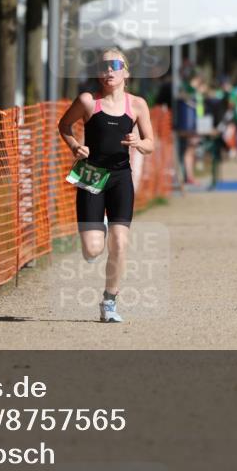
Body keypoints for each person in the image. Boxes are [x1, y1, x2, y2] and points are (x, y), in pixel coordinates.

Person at [58, 48, 155, 323]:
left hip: (120, 177)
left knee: (120, 243)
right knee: (93, 249)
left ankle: (109, 301)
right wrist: (76, 145)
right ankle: (94, 235)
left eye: (114, 65)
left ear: (126, 71)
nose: (109, 71)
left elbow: (151, 144)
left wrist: (139, 143)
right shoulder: (88, 101)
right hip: (91, 175)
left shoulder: (137, 105)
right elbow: (64, 125)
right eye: (103, 66)